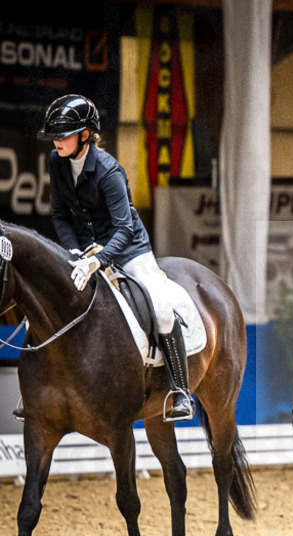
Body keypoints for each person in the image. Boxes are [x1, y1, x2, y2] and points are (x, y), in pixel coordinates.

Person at [37, 94, 193, 421]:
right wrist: (76, 252)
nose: (57, 142)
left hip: (127, 248)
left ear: (85, 135)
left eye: (64, 135)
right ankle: (40, 387)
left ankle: (180, 391)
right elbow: (60, 215)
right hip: (83, 247)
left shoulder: (109, 171)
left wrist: (99, 259)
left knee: (162, 309)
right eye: (54, 137)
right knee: (48, 295)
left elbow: (123, 229)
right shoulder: (56, 161)